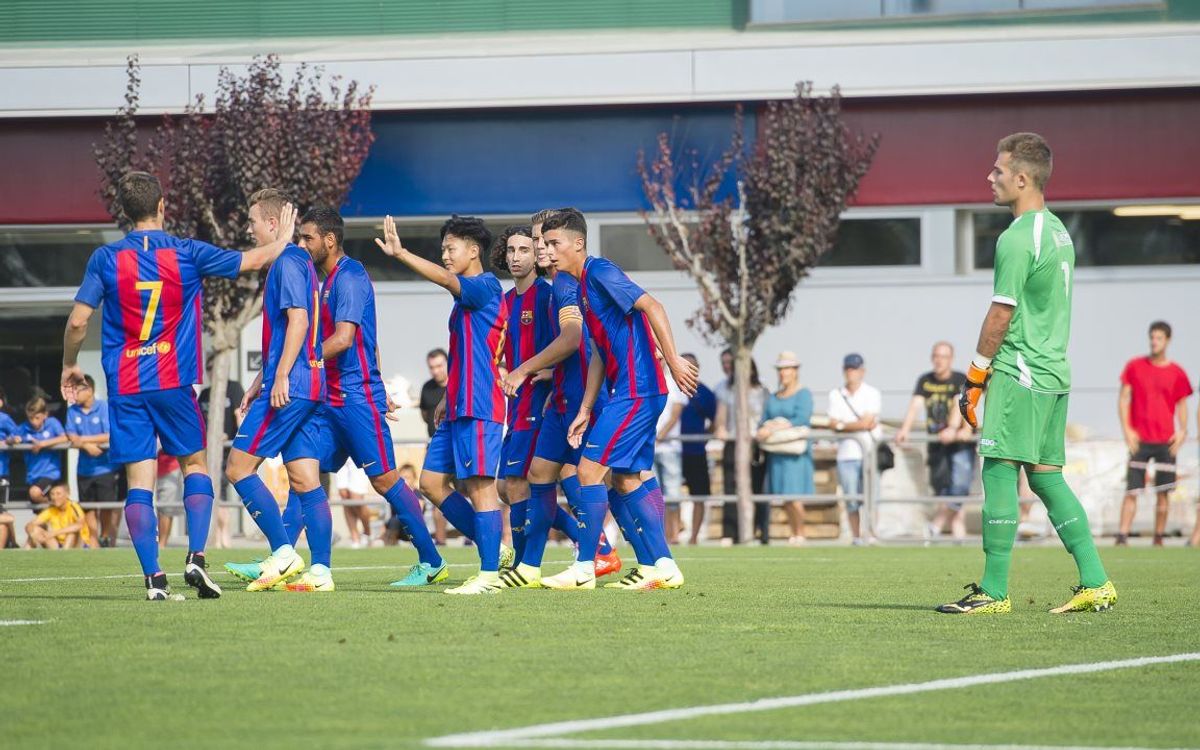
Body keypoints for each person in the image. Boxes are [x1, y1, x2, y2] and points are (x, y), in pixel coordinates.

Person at [63, 171, 294, 600]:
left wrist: (69, 365)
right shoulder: (186, 252)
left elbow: (78, 320)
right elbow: (252, 260)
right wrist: (285, 239)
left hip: (127, 386)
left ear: (123, 213)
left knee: (139, 482)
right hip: (173, 380)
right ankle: (196, 558)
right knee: (194, 466)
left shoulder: (105, 258)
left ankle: (153, 580)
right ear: (162, 205)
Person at [938, 132, 1115, 615]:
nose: (989, 177)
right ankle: (1096, 581)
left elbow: (1001, 315)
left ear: (1021, 178)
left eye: (997, 171)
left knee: (998, 470)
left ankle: (993, 591)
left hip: (1020, 374)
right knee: (1046, 478)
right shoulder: (1058, 231)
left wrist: (975, 377)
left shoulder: (1018, 237)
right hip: (1055, 374)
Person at [539, 207, 698, 591]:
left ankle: (584, 568)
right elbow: (595, 352)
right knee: (625, 480)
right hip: (625, 393)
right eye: (545, 244)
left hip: (638, 391)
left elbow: (652, 306)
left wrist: (673, 358)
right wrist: (586, 408)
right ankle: (660, 566)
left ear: (578, 244)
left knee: (589, 472)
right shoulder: (579, 287)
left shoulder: (601, 271)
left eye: (554, 243)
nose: (548, 251)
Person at [376, 214, 512, 594]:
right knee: (432, 483)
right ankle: (495, 552)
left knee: (480, 488)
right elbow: (468, 351)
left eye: (450, 249)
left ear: (473, 250)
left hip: (481, 405)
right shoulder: (465, 301)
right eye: (442, 250)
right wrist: (450, 392)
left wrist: (401, 253)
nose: (446, 256)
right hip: (458, 405)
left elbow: (447, 280)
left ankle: (488, 576)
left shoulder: (484, 286)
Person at [496, 209, 620, 589]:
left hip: (580, 400)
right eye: (538, 241)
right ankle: (532, 566)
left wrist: (524, 371)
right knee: (538, 475)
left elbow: (572, 340)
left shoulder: (562, 286)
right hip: (561, 402)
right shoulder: (556, 286)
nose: (539, 248)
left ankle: (607, 555)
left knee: (618, 482)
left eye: (545, 242)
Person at [223, 188, 331, 593]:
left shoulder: (285, 262)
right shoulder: (303, 262)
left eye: (252, 222)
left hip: (293, 385)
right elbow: (287, 330)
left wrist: (280, 376)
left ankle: (282, 552)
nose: (249, 230)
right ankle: (321, 571)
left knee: (237, 467)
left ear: (272, 223)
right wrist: (259, 381)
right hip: (309, 383)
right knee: (305, 480)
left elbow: (299, 321)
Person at [492, 224, 554, 568]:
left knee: (516, 484)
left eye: (524, 250)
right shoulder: (505, 302)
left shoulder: (547, 296)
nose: (516, 257)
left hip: (539, 401)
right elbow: (500, 353)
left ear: (536, 255)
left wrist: (551, 372)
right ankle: (592, 541)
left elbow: (571, 342)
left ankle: (521, 564)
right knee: (505, 487)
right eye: (511, 251)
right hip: (514, 405)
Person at [1117, 321, 1192, 546]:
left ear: (1167, 340)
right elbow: (1123, 399)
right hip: (1139, 441)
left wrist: (1182, 432)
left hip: (1166, 442)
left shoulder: (1177, 372)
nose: (1154, 341)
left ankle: (1158, 538)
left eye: (1158, 337)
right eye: (1152, 337)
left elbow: (1182, 405)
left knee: (1163, 492)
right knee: (1132, 491)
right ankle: (1122, 537)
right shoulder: (1134, 366)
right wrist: (1127, 431)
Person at [895, 342, 975, 541]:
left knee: (960, 487)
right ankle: (959, 539)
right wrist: (904, 430)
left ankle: (936, 526)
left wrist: (958, 429)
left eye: (944, 356)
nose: (939, 360)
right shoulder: (925, 380)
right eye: (936, 356)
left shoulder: (959, 379)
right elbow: (915, 406)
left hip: (960, 444)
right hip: (937, 445)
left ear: (951, 359)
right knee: (945, 493)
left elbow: (963, 405)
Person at [757, 352, 813, 545]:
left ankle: (801, 532)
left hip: (795, 454)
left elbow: (802, 418)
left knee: (795, 496)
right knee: (785, 497)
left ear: (795, 371)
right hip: (777, 453)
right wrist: (765, 428)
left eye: (787, 368)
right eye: (781, 369)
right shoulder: (774, 397)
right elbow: (763, 419)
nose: (783, 373)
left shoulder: (803, 393)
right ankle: (793, 532)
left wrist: (777, 426)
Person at [714, 354, 769, 543]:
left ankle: (757, 530)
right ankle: (729, 532)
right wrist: (720, 427)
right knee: (730, 486)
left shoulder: (761, 390)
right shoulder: (727, 389)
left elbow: (765, 415)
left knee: (757, 487)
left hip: (755, 443)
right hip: (733, 441)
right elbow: (721, 416)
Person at [828, 353, 882, 545]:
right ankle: (857, 537)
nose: (851, 373)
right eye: (848, 369)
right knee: (851, 499)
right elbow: (833, 423)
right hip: (846, 455)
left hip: (868, 453)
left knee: (871, 497)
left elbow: (868, 423)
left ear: (862, 371)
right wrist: (852, 425)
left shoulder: (872, 393)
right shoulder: (836, 394)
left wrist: (844, 425)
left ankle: (872, 535)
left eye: (855, 369)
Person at [65, 374, 121, 547]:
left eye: (77, 390)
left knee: (106, 507)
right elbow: (71, 435)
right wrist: (87, 445)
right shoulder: (72, 410)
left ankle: (105, 538)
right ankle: (94, 541)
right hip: (84, 469)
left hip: (105, 468)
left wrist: (83, 441)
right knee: (88, 508)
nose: (74, 395)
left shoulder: (104, 407)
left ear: (89, 390)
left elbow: (109, 435)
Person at [197, 375, 245, 549]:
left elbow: (239, 416)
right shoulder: (205, 394)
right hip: (211, 452)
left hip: (231, 448)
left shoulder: (233, 387)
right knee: (218, 492)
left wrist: (240, 439)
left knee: (237, 487)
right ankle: (219, 535)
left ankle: (225, 534)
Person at [679, 353, 715, 545]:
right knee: (668, 494)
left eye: (692, 366)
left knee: (699, 494)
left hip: (696, 452)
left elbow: (716, 421)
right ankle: (671, 535)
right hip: (673, 451)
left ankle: (694, 536)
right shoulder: (669, 388)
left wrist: (703, 439)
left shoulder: (705, 393)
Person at [419, 348, 451, 545]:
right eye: (432, 367)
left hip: (459, 443)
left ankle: (473, 538)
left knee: (472, 490)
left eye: (439, 366)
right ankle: (441, 540)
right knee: (434, 490)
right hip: (435, 444)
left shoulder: (457, 384)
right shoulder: (427, 388)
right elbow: (425, 415)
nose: (436, 371)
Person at [17, 396, 67, 511]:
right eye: (30, 418)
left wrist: (43, 444)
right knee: (40, 518)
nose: (33, 422)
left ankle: (55, 506)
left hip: (50, 474)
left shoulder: (52, 423)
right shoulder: (24, 427)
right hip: (32, 475)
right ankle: (53, 507)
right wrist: (14, 440)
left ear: (45, 414)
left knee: (34, 493)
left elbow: (64, 438)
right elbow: (12, 436)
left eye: (37, 418)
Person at [655, 375, 687, 543]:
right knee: (652, 495)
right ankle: (658, 536)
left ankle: (673, 535)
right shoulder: (646, 376)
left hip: (670, 447)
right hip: (648, 447)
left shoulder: (674, 380)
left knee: (673, 493)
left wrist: (660, 436)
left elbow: (676, 412)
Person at [24, 480, 95, 549]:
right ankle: (25, 556)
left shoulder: (73, 506)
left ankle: (64, 554)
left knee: (72, 533)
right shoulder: (51, 509)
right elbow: (30, 524)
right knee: (35, 530)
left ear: (67, 494)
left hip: (79, 544)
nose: (55, 497)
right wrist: (32, 533)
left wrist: (54, 533)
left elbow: (79, 525)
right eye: (52, 494)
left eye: (58, 494)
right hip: (58, 543)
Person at [336, 457, 372, 549]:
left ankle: (367, 532)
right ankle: (355, 537)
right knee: (344, 495)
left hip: (356, 448)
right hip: (338, 448)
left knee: (356, 497)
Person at [155, 452, 183, 548]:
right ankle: (161, 544)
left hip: (169, 468)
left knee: (166, 508)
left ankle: (162, 545)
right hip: (151, 467)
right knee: (162, 508)